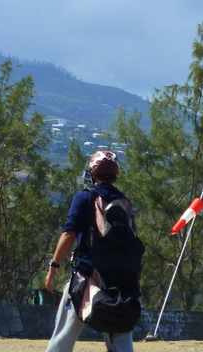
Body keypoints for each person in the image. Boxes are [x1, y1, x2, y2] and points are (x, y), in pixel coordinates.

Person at [44, 150, 134, 352]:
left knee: (62, 339)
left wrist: (53, 267)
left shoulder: (85, 197)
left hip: (86, 278)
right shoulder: (124, 202)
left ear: (93, 173)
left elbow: (69, 235)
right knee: (120, 339)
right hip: (120, 283)